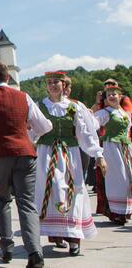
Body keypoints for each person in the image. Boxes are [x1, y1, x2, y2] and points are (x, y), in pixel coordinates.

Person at [0, 60, 52, 268]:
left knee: (2, 200)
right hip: (25, 152)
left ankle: (6, 248)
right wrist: (28, 136)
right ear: (8, 77)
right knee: (27, 204)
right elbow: (45, 125)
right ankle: (34, 252)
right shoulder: (24, 97)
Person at [35, 71, 105, 256]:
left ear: (64, 85)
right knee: (51, 192)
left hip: (69, 155)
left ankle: (74, 238)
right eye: (49, 82)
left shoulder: (75, 107)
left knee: (72, 192)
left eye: (56, 82)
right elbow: (31, 131)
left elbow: (86, 134)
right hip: (46, 155)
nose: (52, 85)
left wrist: (98, 155)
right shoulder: (40, 106)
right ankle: (56, 234)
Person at [94, 84, 132, 225]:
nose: (111, 96)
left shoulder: (124, 113)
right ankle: (116, 212)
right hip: (112, 149)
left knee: (128, 178)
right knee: (118, 179)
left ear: (120, 96)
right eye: (108, 94)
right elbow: (92, 124)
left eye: (114, 94)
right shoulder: (105, 113)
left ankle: (126, 211)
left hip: (126, 147)